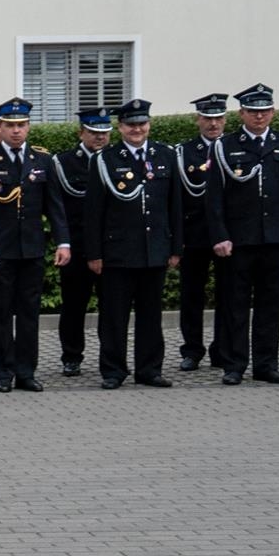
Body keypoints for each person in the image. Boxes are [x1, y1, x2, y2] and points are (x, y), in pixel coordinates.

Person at [0, 99, 68, 392]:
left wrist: (63, 242)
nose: (16, 131)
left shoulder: (42, 160)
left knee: (28, 313)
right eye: (10, 126)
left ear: (28, 127)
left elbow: (55, 206)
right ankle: (3, 372)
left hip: (31, 249)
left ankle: (26, 371)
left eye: (21, 125)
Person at [82, 99, 183, 389]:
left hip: (155, 249)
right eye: (130, 124)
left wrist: (176, 248)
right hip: (118, 251)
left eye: (141, 123)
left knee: (151, 315)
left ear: (149, 124)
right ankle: (113, 371)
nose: (136, 129)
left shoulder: (165, 155)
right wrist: (94, 253)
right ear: (120, 127)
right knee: (114, 316)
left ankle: (149, 370)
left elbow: (174, 205)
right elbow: (93, 212)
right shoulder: (105, 159)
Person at [214, 84, 279, 385]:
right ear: (241, 114)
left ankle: (266, 364)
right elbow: (214, 198)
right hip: (239, 239)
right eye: (253, 111)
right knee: (235, 305)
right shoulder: (225, 146)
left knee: (270, 305)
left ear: (273, 112)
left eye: (264, 110)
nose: (259, 116)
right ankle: (235, 365)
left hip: (277, 237)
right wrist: (220, 235)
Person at [50, 108, 111, 375]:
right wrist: (63, 243)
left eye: (104, 133)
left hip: (109, 246)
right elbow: (57, 209)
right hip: (76, 246)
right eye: (94, 133)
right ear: (81, 133)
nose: (100, 138)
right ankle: (71, 356)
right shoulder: (64, 162)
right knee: (74, 305)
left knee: (111, 306)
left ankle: (109, 356)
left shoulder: (114, 159)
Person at [174, 94, 230, 372]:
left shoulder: (233, 149)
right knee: (192, 295)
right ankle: (192, 350)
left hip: (228, 236)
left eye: (218, 118)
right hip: (194, 234)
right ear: (198, 119)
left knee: (228, 294)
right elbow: (177, 199)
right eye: (208, 118)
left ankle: (222, 349)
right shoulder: (183, 153)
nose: (213, 123)